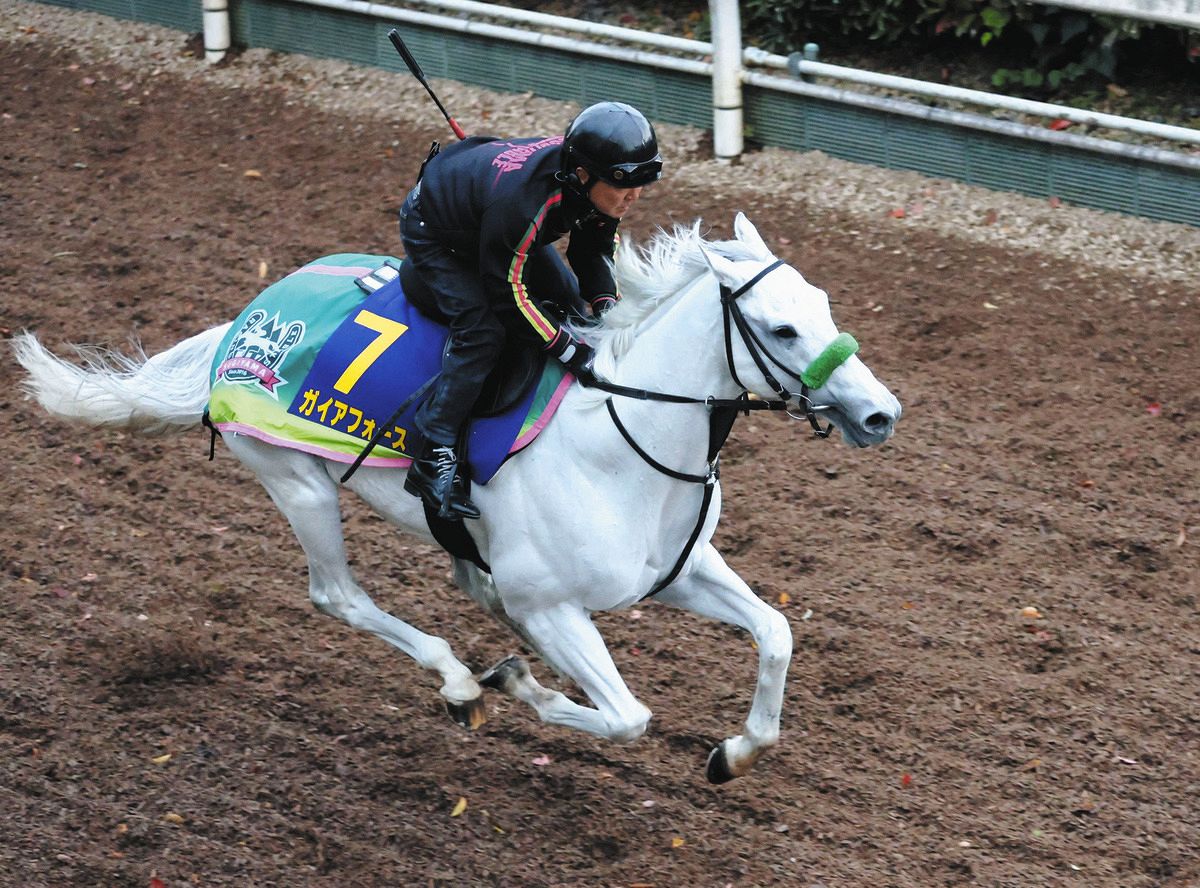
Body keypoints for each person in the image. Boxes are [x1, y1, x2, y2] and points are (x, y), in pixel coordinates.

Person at [397, 101, 662, 520]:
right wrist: (568, 349)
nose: (635, 195)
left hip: (494, 226)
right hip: (438, 234)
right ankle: (433, 450)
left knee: (574, 305)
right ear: (582, 175)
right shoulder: (522, 206)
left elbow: (592, 252)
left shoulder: (597, 187)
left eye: (643, 181)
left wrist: (605, 313)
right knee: (484, 331)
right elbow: (507, 294)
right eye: (625, 183)